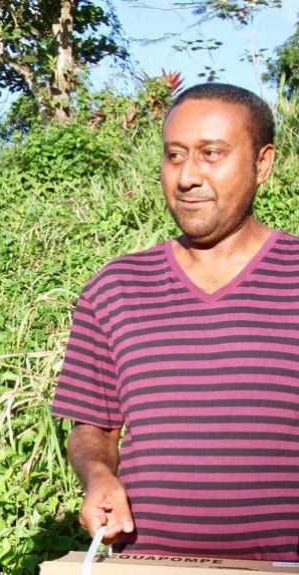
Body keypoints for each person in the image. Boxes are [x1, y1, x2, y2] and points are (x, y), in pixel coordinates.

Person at [51, 82, 299, 559]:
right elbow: (92, 429)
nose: (187, 176)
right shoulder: (114, 289)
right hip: (149, 565)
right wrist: (99, 475)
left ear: (262, 163)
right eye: (175, 155)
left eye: (211, 154)